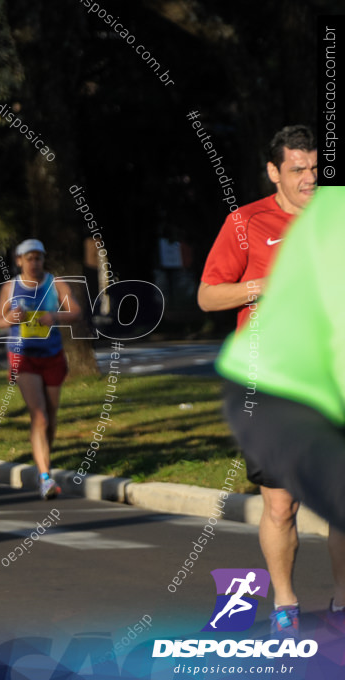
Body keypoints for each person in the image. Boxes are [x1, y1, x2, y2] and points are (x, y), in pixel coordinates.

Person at [201, 124, 326, 639]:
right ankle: (286, 601)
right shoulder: (246, 222)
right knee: (281, 503)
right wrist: (260, 287)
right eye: (298, 169)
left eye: (315, 167)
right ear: (274, 172)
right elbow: (208, 297)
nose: (309, 178)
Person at [0, 239, 81, 500]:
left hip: (52, 354)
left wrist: (54, 317)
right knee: (39, 416)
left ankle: (45, 461)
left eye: (38, 258)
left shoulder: (55, 284)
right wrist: (11, 318)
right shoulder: (11, 287)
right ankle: (45, 476)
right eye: (29, 258)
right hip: (23, 356)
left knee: (51, 417)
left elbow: (75, 311)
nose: (34, 263)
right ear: (19, 261)